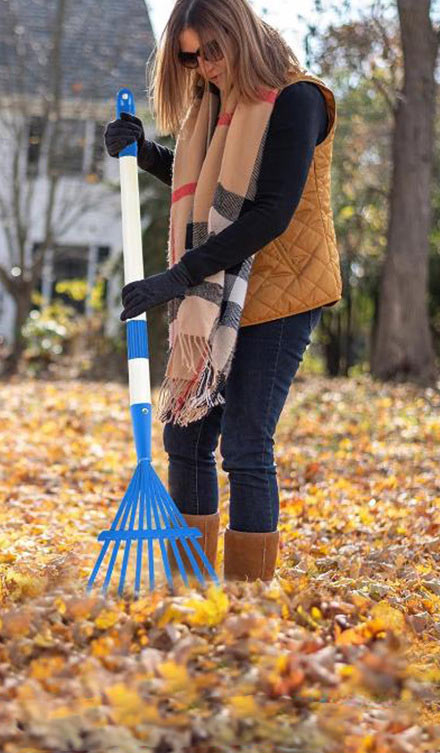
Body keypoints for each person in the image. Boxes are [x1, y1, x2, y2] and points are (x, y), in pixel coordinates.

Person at [104, 0, 341, 582]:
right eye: (191, 59)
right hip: (219, 296)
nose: (205, 68)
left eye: (212, 50)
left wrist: (177, 278)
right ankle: (190, 581)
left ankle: (248, 595)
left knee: (244, 443)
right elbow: (209, 191)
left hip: (283, 292)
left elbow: (267, 215)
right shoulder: (214, 108)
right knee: (183, 437)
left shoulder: (297, 99)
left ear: (241, 35)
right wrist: (144, 152)